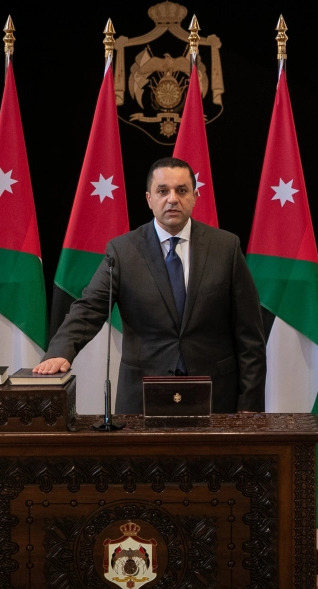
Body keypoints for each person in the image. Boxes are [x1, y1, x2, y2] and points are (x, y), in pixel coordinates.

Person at [35, 157, 266, 414]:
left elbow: (250, 336)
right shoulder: (123, 251)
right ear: (149, 199)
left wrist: (250, 405)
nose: (172, 199)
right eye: (163, 191)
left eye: (181, 190)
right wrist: (60, 351)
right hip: (143, 397)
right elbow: (88, 309)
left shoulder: (226, 248)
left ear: (195, 196)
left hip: (216, 397)